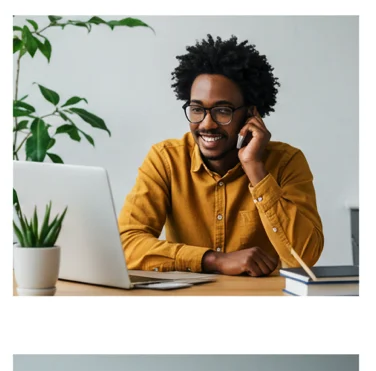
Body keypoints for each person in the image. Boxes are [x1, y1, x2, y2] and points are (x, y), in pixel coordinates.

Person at [118, 35, 323, 276]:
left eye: (222, 111)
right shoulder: (166, 159)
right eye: (197, 110)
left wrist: (255, 169)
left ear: (251, 114)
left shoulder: (287, 162)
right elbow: (126, 244)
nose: (207, 124)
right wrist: (213, 260)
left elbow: (304, 257)